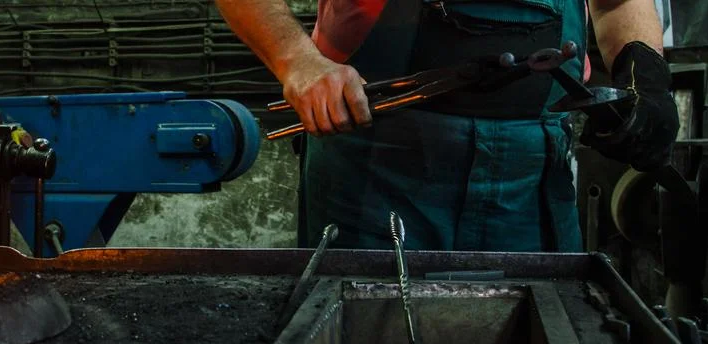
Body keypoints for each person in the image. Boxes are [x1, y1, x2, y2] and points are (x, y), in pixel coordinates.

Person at [214, 0, 679, 252]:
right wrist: (299, 62)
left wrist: (648, 77)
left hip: (532, 179)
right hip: (375, 174)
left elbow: (618, 4)